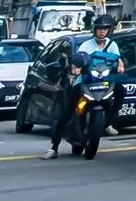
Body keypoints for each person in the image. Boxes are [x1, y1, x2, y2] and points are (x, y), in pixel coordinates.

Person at [48, 20, 122, 157]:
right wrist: (76, 68)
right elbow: (77, 60)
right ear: (94, 30)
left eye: (105, 29)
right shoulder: (86, 45)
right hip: (85, 83)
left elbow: (119, 60)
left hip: (105, 83)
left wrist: (120, 67)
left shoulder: (113, 45)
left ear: (109, 31)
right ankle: (54, 147)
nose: (102, 31)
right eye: (99, 28)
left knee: (121, 91)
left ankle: (109, 123)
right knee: (68, 110)